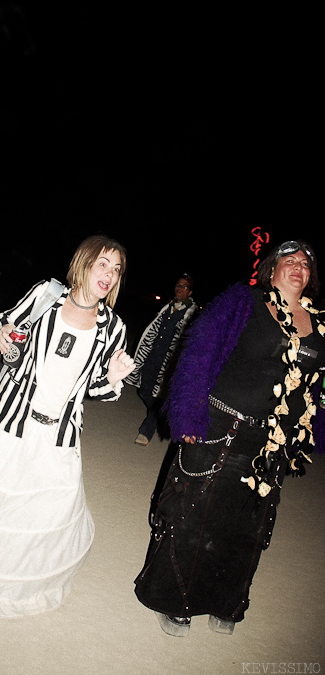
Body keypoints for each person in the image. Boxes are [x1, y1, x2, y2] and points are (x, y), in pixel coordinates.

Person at [0, 235, 135, 618]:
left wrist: (114, 378)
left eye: (116, 269)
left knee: (36, 523)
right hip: (12, 420)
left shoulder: (113, 327)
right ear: (83, 263)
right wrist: (6, 342)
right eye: (103, 263)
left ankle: (12, 587)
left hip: (59, 436)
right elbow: (8, 340)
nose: (109, 274)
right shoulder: (46, 296)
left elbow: (94, 389)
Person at [134, 240, 325, 636]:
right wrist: (188, 413)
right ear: (271, 269)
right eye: (289, 261)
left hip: (271, 442)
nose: (298, 267)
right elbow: (198, 354)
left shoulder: (319, 326)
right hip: (222, 427)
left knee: (246, 528)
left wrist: (312, 431)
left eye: (305, 264)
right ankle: (174, 599)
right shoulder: (243, 303)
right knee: (191, 515)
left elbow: (319, 386)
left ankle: (224, 600)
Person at [126, 274, 197, 445]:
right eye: (178, 285)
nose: (180, 288)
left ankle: (146, 431)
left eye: (184, 286)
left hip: (170, 363)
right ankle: (163, 414)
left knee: (159, 396)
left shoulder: (192, 314)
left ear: (190, 292)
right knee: (144, 391)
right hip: (152, 357)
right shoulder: (167, 307)